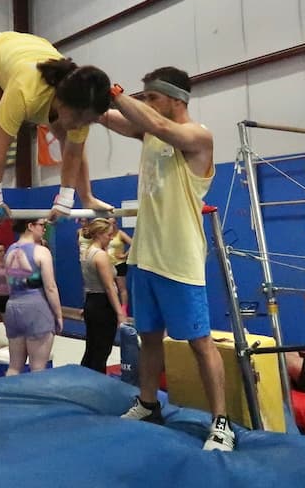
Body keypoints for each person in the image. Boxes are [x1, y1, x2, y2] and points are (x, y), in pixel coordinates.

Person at [102, 66, 236, 452]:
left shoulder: (197, 136)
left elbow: (158, 127)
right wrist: (83, 96)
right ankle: (148, 404)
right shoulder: (148, 130)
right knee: (148, 338)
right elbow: (111, 117)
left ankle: (220, 422)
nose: (146, 105)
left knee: (199, 343)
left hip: (179, 260)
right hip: (144, 256)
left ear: (176, 100)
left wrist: (115, 92)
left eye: (152, 98)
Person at [0, 31, 114, 221]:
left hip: (32, 48)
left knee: (71, 137)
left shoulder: (83, 105)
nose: (80, 125)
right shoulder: (26, 93)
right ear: (61, 102)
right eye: (77, 118)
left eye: (87, 121)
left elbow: (73, 153)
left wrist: (65, 201)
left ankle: (87, 196)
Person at [4, 218, 63, 375]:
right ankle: (34, 399)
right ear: (30, 226)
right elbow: (50, 288)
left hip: (12, 307)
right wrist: (58, 315)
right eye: (42, 225)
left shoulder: (9, 250)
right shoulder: (41, 251)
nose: (44, 229)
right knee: (37, 369)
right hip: (35, 308)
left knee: (14, 367)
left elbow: (8, 284)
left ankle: (10, 398)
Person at [80, 218, 127, 374]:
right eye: (108, 234)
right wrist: (120, 314)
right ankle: (96, 387)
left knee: (92, 348)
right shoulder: (100, 256)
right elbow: (109, 287)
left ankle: (84, 381)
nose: (111, 237)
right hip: (103, 305)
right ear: (99, 234)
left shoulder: (87, 252)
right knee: (101, 351)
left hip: (92, 302)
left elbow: (88, 284)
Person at [106, 217, 131, 313]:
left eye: (114, 223)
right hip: (108, 265)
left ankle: (124, 310)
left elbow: (133, 243)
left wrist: (125, 255)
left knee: (122, 288)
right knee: (110, 288)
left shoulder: (120, 234)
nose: (112, 225)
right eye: (109, 223)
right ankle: (113, 309)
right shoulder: (105, 234)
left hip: (119, 264)